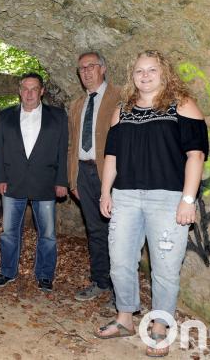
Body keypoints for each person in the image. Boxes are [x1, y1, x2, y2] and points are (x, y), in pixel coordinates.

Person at [95, 50, 208, 358]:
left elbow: (195, 155)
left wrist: (188, 199)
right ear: (132, 76)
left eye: (151, 70)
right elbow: (112, 156)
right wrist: (106, 192)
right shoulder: (123, 110)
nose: (144, 76)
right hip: (126, 197)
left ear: (164, 73)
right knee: (119, 262)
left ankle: (160, 326)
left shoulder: (182, 105)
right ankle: (125, 318)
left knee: (165, 268)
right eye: (139, 71)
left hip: (167, 198)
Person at [0, 72, 69, 292]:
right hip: (13, 183)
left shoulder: (58, 116)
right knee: (8, 232)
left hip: (45, 183)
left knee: (47, 234)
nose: (29, 93)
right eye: (25, 88)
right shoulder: (5, 116)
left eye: (34, 89)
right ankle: (7, 271)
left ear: (42, 91)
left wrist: (62, 180)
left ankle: (44, 274)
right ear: (19, 91)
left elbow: (63, 151)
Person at [67, 52, 122, 303]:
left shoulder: (119, 97)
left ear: (103, 68)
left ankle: (121, 290)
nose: (86, 71)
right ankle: (101, 281)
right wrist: (72, 180)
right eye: (82, 68)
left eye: (91, 66)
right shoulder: (77, 104)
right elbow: (71, 145)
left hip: (111, 173)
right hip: (84, 173)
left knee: (119, 231)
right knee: (95, 229)